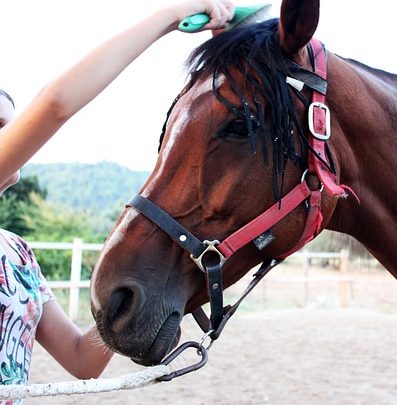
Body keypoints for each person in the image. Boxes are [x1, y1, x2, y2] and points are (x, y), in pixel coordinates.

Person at [0, 0, 234, 391]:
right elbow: (55, 105)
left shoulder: (18, 255)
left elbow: (81, 359)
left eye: (9, 123)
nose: (11, 132)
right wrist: (170, 16)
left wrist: (128, 301)